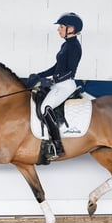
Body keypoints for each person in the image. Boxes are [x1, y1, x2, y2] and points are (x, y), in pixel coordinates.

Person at [29, 12, 83, 160]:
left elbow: (70, 72)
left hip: (66, 85)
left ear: (71, 29)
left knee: (45, 107)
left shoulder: (74, 47)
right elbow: (56, 67)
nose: (59, 30)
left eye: (61, 27)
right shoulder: (65, 45)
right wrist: (39, 75)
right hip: (59, 84)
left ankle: (57, 145)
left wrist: (52, 81)